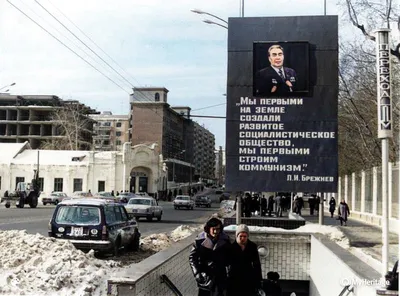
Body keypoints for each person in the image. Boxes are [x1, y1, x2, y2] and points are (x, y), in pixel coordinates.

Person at [189, 217, 231, 296]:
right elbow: (192, 257)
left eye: (218, 229)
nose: (215, 231)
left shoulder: (225, 239)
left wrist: (228, 271)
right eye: (213, 229)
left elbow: (230, 257)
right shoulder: (200, 240)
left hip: (220, 276)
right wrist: (197, 273)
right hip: (205, 276)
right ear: (208, 229)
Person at [228, 224, 262, 296]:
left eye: (244, 236)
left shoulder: (252, 246)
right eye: (241, 236)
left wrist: (258, 281)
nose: (242, 238)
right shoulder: (231, 248)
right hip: (234, 280)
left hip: (248, 280)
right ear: (237, 236)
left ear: (247, 236)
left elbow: (257, 265)